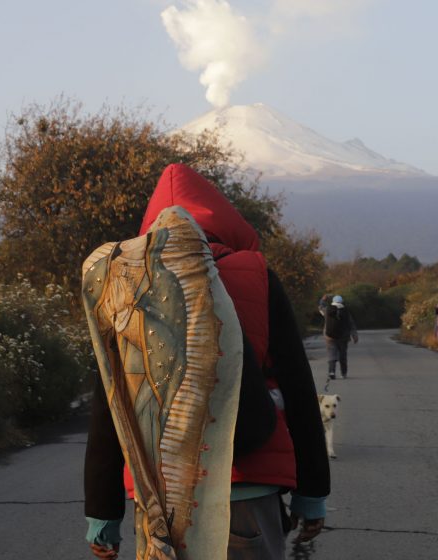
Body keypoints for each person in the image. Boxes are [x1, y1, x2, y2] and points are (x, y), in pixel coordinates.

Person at [84, 164, 330, 560]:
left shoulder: (125, 283)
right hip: (247, 486)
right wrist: (312, 494)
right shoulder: (256, 276)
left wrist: (102, 515)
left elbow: (112, 404)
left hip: (159, 497)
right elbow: (299, 389)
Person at [319, 294, 358, 380]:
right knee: (342, 355)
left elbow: (320, 307)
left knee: (331, 354)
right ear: (342, 302)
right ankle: (343, 373)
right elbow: (351, 324)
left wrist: (323, 299)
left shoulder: (327, 310)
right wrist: (354, 335)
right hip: (343, 337)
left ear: (333, 302)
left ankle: (331, 372)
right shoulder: (346, 312)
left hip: (329, 336)